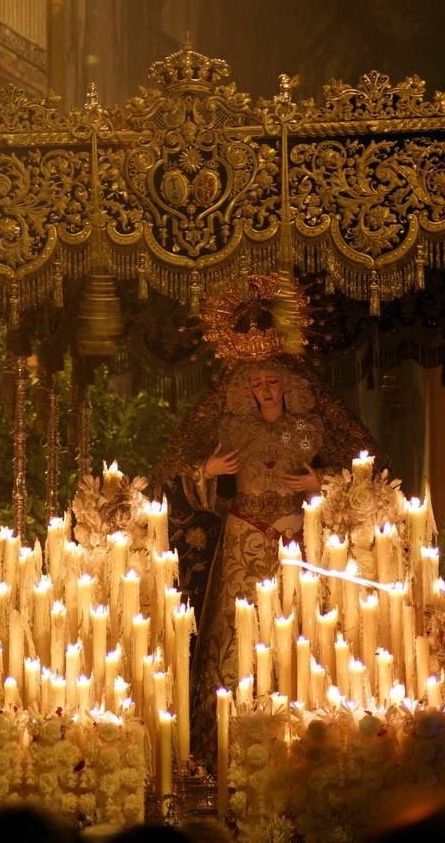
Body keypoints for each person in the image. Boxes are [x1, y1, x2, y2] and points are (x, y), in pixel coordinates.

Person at [155, 278, 380, 760]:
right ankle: (227, 740)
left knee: (299, 627)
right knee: (235, 636)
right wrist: (208, 472)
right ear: (245, 390)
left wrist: (320, 485)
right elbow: (171, 475)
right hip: (242, 542)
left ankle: (304, 730)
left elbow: (364, 473)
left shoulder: (312, 428)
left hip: (298, 541)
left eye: (272, 381)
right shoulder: (230, 428)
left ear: (289, 384)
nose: (265, 390)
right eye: (256, 384)